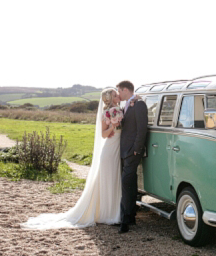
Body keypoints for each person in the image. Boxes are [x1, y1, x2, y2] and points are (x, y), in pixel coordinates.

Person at [20, 88, 124, 229]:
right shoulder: (106, 113)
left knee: (114, 179)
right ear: (110, 98)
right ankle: (108, 214)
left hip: (118, 148)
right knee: (109, 179)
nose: (118, 95)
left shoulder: (119, 109)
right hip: (110, 150)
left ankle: (114, 211)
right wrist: (113, 126)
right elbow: (104, 134)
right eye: (114, 94)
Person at [117, 80, 148, 233]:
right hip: (124, 149)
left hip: (131, 151)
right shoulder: (128, 104)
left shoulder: (139, 104)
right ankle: (131, 216)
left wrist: (136, 149)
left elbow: (142, 128)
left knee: (126, 183)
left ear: (125, 90)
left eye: (119, 91)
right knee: (130, 183)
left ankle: (124, 220)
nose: (118, 94)